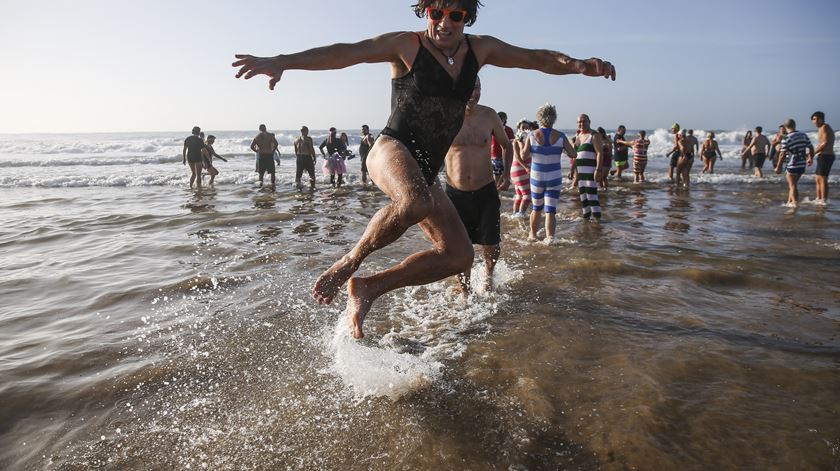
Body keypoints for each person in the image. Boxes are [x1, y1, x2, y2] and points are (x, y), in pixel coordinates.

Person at [233, 0, 615, 339]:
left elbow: (536, 58)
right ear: (425, 11)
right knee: (414, 200)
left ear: (467, 17)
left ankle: (368, 288)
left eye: (455, 15)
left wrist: (580, 65)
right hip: (390, 149)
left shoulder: (479, 49)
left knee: (458, 255)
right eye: (436, 12)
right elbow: (346, 52)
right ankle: (350, 263)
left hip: (425, 170)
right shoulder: (407, 45)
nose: (444, 23)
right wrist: (284, 61)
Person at [444, 77, 508, 294]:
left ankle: (488, 276)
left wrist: (506, 176)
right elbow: (428, 151)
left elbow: (507, 146)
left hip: (486, 191)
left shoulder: (489, 115)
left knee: (492, 244)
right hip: (455, 193)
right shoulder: (445, 115)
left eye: (477, 88)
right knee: (460, 248)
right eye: (467, 88)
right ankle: (465, 291)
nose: (472, 94)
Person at [521, 104, 576, 241]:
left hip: (537, 177)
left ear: (539, 118)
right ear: (554, 118)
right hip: (554, 177)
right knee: (550, 210)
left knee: (536, 208)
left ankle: (532, 236)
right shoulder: (561, 136)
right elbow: (573, 154)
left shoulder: (532, 135)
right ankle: (550, 238)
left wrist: (520, 143)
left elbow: (523, 156)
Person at [775, 118, 815, 208]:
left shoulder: (786, 138)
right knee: (793, 185)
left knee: (792, 186)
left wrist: (778, 166)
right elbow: (811, 148)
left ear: (785, 127)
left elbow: (782, 154)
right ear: (795, 125)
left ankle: (795, 204)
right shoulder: (803, 135)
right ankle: (789, 202)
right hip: (802, 164)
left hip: (792, 165)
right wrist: (810, 158)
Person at [573, 114, 603, 220]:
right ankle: (586, 223)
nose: (581, 124)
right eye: (579, 122)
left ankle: (597, 223)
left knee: (592, 198)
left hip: (591, 172)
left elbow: (600, 153)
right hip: (580, 174)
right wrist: (574, 174)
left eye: (584, 121)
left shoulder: (594, 135)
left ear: (589, 121)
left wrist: (598, 170)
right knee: (584, 199)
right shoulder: (578, 136)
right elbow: (574, 156)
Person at [510, 119, 533, 216]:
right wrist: (526, 167)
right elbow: (518, 156)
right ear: (519, 129)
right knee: (527, 196)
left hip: (516, 171)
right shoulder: (517, 140)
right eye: (523, 127)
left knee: (519, 195)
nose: (525, 130)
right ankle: (521, 215)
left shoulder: (528, 139)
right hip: (521, 170)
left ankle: (515, 214)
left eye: (527, 128)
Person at [811, 111, 835, 203]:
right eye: (813, 119)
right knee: (817, 178)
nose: (815, 121)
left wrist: (813, 153)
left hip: (826, 155)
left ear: (822, 119)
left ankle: (823, 200)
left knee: (822, 178)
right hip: (823, 155)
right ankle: (818, 199)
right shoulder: (821, 128)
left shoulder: (825, 127)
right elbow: (821, 144)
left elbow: (825, 143)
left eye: (817, 119)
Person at [490, 111, 514, 190]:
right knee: (496, 176)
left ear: (505, 120)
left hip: (505, 156)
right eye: (499, 118)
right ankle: (497, 191)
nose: (501, 120)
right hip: (495, 156)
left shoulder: (508, 130)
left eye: (502, 119)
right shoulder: (492, 129)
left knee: (506, 175)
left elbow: (512, 143)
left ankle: (500, 190)